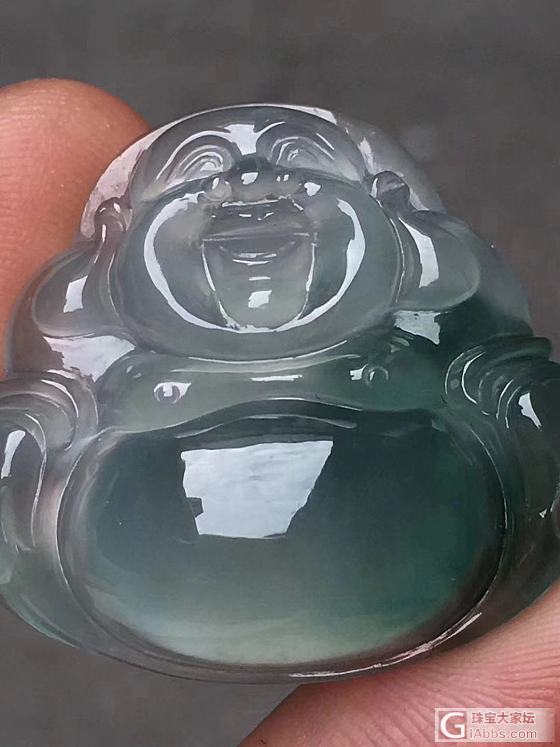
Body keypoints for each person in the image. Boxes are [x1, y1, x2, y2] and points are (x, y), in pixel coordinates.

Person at [0, 78, 558, 747]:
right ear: (119, 234)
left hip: (439, 545)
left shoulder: (433, 341)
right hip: (128, 566)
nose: (251, 181)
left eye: (299, 158)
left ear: (388, 208)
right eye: (200, 169)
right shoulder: (96, 372)